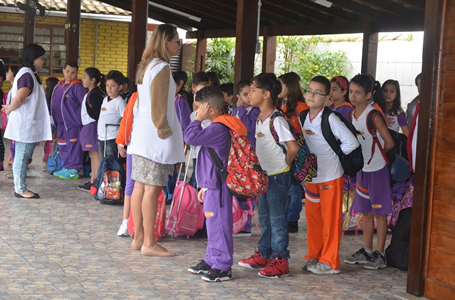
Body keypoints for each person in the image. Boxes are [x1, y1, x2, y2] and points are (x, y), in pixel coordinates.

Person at [128, 24, 185, 257]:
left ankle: (139, 237)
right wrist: (166, 134)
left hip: (142, 135)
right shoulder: (162, 68)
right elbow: (159, 107)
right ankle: (149, 243)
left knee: (141, 187)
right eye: (176, 41)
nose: (178, 45)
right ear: (165, 42)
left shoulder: (147, 65)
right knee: (152, 189)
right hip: (155, 137)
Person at [238, 73, 299, 278]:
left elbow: (292, 147)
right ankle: (264, 253)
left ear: (266, 94)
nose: (250, 93)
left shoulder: (276, 119)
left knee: (277, 219)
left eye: (253, 90)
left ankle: (280, 259)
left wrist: (285, 165)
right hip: (264, 178)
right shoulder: (258, 117)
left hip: (277, 177)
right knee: (264, 217)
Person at [301, 76, 360, 274]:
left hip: (330, 176)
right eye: (309, 90)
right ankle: (314, 256)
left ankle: (330, 261)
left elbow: (352, 143)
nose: (311, 95)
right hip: (312, 177)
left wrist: (334, 157)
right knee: (313, 219)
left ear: (327, 99)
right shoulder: (302, 116)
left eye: (318, 93)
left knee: (330, 220)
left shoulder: (330, 118)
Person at [186, 86, 237, 282]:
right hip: (212, 185)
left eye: (200, 108)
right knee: (213, 224)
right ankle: (212, 259)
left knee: (219, 225)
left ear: (211, 109)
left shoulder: (218, 128)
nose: (197, 112)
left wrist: (198, 119)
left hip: (218, 186)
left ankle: (223, 267)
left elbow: (190, 138)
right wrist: (204, 187)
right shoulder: (216, 125)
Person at [344, 74, 394, 270]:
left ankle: (380, 254)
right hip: (362, 170)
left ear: (368, 95)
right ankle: (367, 250)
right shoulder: (351, 115)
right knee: (365, 212)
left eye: (358, 93)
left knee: (380, 213)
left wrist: (376, 159)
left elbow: (388, 142)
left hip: (377, 170)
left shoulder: (373, 115)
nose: (353, 96)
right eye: (351, 91)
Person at [2, 43, 52, 198]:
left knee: (22, 155)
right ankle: (20, 189)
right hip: (25, 124)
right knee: (22, 156)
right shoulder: (26, 75)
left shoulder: (29, 74)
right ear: (33, 58)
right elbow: (21, 97)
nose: (43, 60)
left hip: (27, 123)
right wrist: (10, 108)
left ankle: (20, 187)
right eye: (41, 57)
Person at [277, 72, 309, 233]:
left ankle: (292, 219)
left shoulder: (301, 107)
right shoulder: (282, 105)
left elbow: (308, 131)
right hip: (283, 150)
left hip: (297, 152)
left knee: (294, 187)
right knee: (287, 185)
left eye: (280, 85)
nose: (277, 88)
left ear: (290, 87)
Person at [231, 79, 260, 237]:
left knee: (248, 192)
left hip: (251, 157)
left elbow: (247, 129)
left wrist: (242, 110)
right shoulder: (235, 111)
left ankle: (246, 225)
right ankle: (236, 221)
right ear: (238, 96)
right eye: (245, 94)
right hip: (237, 157)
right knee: (236, 189)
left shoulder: (255, 112)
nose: (249, 97)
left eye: (251, 93)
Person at [51, 61, 87, 180]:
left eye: (73, 72)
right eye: (67, 71)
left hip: (73, 124)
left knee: (73, 146)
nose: (69, 74)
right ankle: (66, 167)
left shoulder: (77, 87)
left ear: (77, 73)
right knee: (62, 146)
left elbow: (84, 104)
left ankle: (74, 169)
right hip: (60, 123)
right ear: (63, 71)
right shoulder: (58, 86)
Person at [77, 67, 105, 192]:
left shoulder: (95, 94)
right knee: (92, 154)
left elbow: (96, 113)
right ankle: (93, 179)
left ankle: (97, 180)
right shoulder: (89, 93)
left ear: (92, 80)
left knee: (95, 154)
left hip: (92, 126)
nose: (82, 80)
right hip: (88, 126)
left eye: (84, 77)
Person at [116, 92, 138, 237]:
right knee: (131, 184)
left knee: (149, 187)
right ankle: (126, 222)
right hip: (134, 147)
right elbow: (127, 119)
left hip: (151, 151)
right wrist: (121, 142)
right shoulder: (135, 97)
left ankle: (142, 224)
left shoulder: (160, 96)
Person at [97, 70, 126, 162]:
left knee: (111, 163)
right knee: (103, 162)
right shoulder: (105, 99)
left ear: (120, 87)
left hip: (112, 138)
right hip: (101, 136)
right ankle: (102, 177)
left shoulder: (120, 102)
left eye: (112, 86)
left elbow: (124, 119)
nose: (109, 88)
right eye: (107, 85)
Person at [42, 77, 59, 169]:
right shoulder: (56, 97)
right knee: (54, 142)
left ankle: (46, 159)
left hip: (47, 123)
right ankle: (51, 160)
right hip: (54, 123)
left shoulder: (45, 97)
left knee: (49, 142)